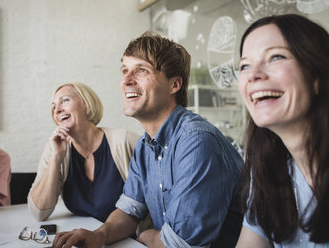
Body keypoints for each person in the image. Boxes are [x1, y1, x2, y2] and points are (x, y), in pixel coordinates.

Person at [52, 33, 243, 248]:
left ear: (174, 85)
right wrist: (99, 235)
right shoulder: (145, 145)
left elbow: (181, 244)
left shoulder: (197, 141)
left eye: (141, 70)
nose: (126, 80)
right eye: (124, 71)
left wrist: (147, 237)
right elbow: (129, 210)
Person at [236, 14, 329, 247]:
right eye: (244, 65)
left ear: (317, 76)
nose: (254, 75)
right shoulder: (268, 167)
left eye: (275, 57)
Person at [27, 82, 140, 222]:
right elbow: (39, 212)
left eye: (65, 101)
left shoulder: (125, 141)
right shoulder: (54, 147)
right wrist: (56, 158)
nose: (57, 111)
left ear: (86, 104)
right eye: (54, 107)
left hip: (128, 239)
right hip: (84, 235)